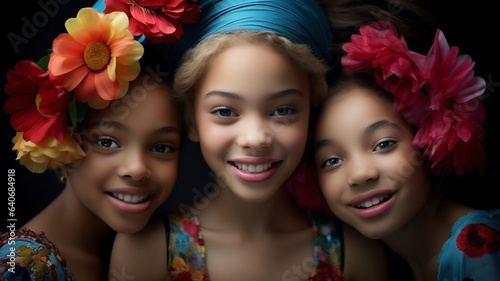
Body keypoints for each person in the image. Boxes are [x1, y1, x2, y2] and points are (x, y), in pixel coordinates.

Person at [108, 0, 390, 280]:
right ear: (192, 120)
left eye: (283, 110)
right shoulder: (147, 251)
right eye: (225, 111)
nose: (256, 139)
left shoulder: (354, 254)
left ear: (310, 116)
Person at [0, 6, 184, 280]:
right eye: (107, 142)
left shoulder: (133, 253)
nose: (136, 169)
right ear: (62, 140)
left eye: (161, 147)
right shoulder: (24, 269)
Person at [313, 21, 500, 281]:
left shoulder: (476, 248)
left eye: (383, 144)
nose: (360, 174)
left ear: (429, 136)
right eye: (331, 160)